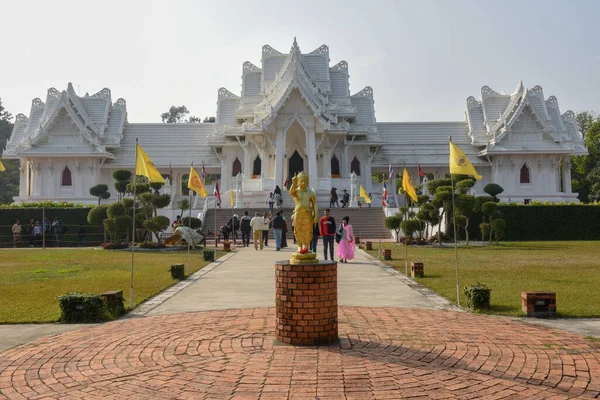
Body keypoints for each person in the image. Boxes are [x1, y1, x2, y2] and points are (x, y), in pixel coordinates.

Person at [289, 172, 318, 253]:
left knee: (308, 230)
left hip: (307, 213)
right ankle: (299, 245)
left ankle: (307, 246)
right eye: (301, 181)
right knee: (297, 230)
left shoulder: (310, 192)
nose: (303, 183)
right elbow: (291, 192)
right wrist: (293, 183)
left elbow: (314, 204)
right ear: (298, 182)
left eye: (305, 181)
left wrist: (316, 215)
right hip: (298, 213)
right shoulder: (296, 191)